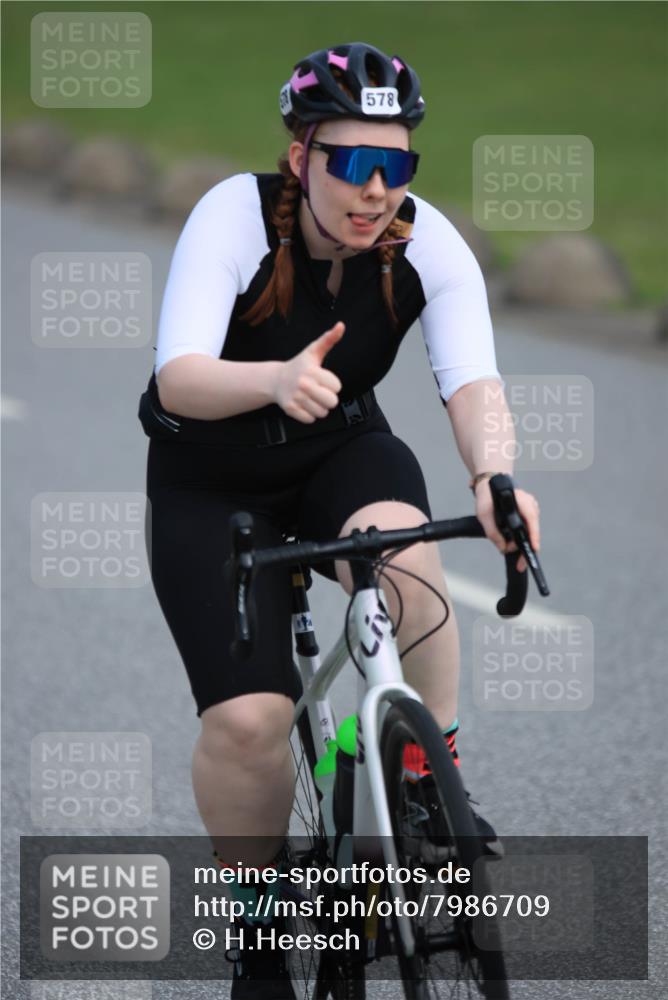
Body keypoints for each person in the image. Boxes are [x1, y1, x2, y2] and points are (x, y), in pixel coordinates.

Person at [139, 41, 540, 999]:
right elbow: (177, 376)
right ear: (300, 157)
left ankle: (427, 772)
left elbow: (473, 380)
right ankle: (262, 925)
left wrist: (494, 476)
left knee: (409, 565)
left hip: (340, 453)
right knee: (250, 720)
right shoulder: (233, 215)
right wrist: (274, 379)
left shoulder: (425, 242)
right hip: (211, 480)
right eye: (351, 162)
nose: (374, 190)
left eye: (394, 166)